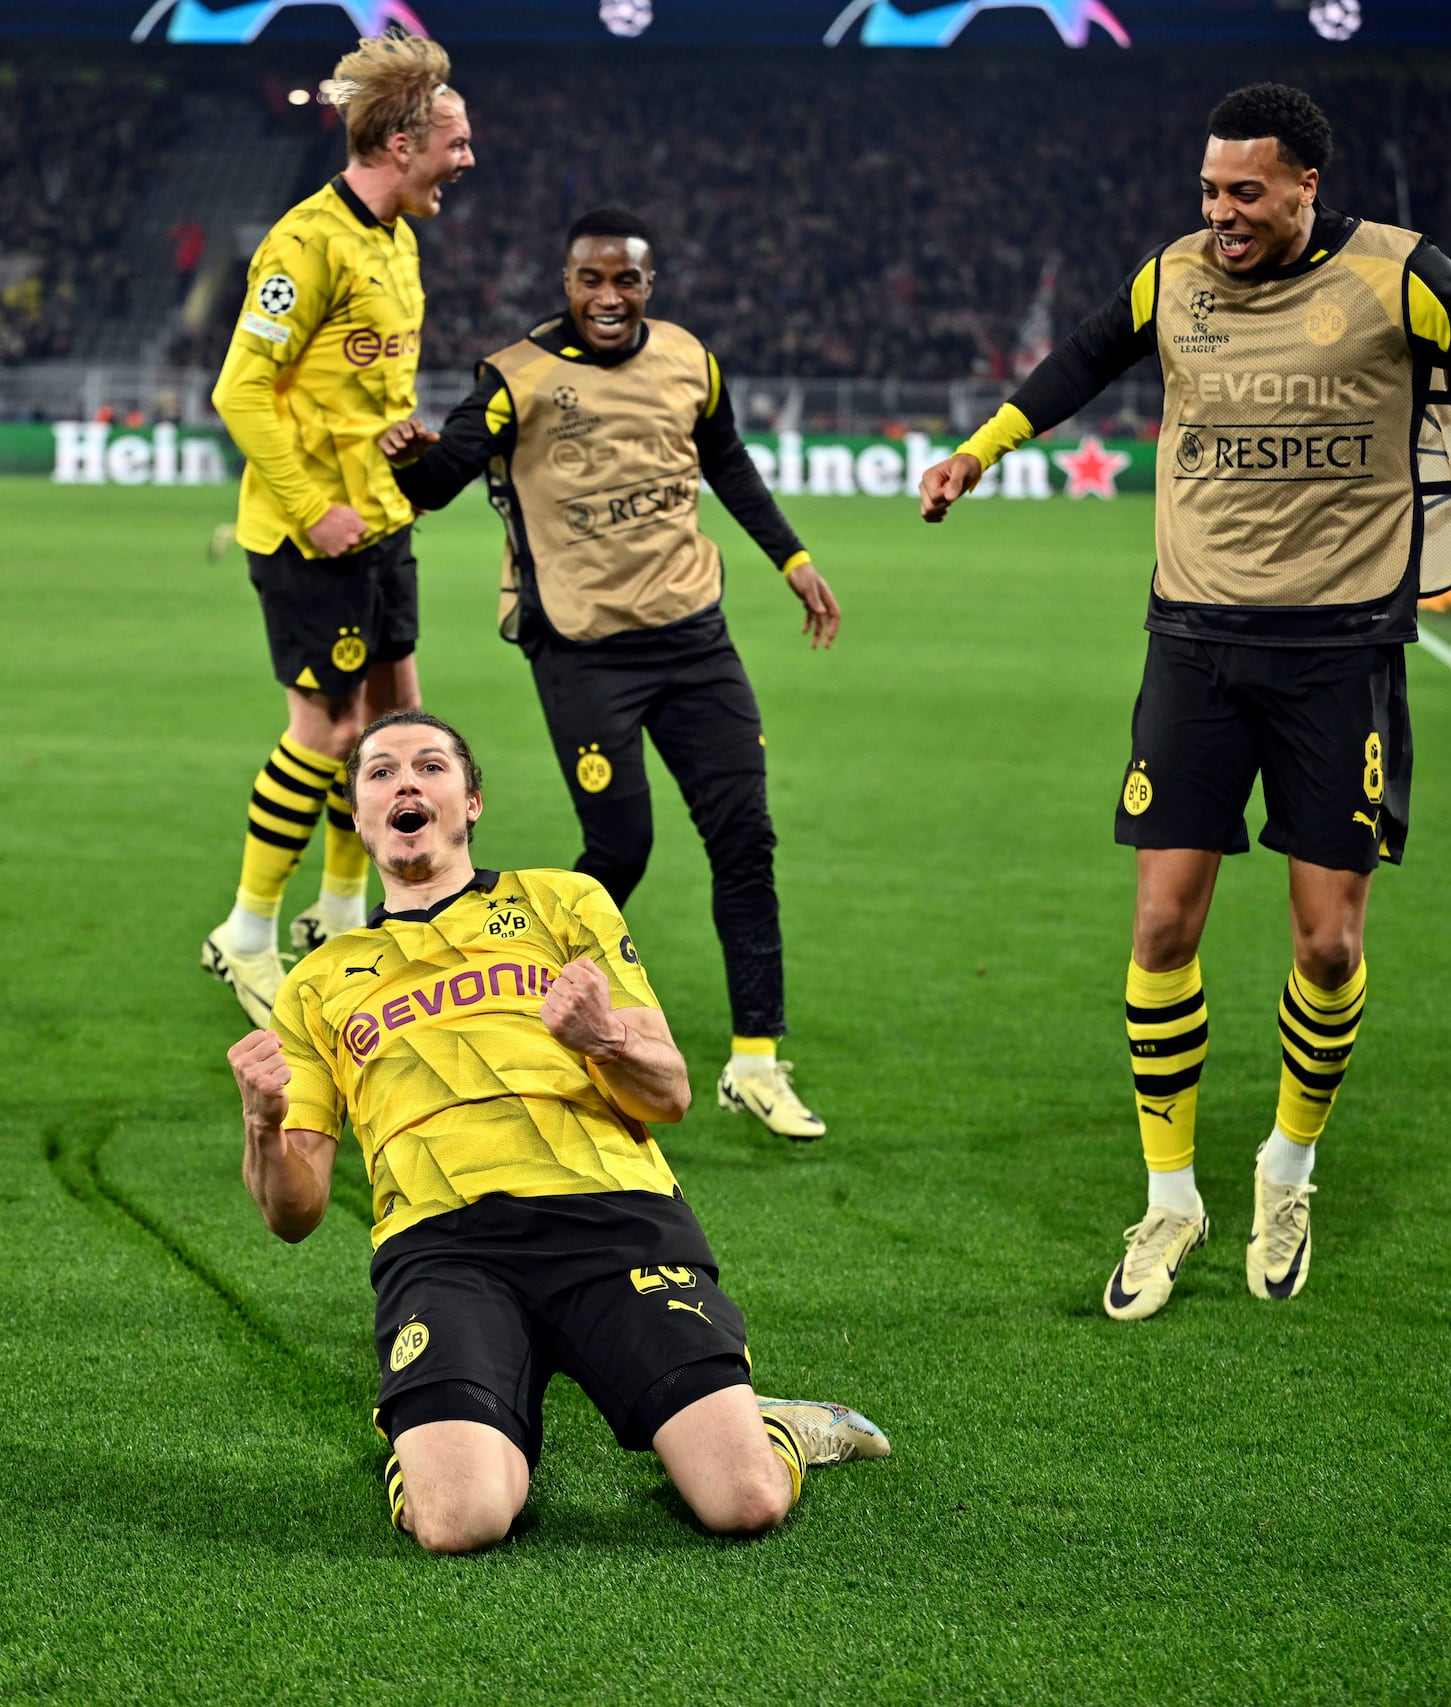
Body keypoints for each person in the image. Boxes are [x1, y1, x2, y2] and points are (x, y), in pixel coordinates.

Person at [918, 83, 1451, 1320]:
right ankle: (1168, 1198)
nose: (1219, 213)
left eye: (1244, 192)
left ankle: (1285, 1168)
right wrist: (978, 451)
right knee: (1159, 928)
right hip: (1192, 642)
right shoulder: (1173, 276)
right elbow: (1077, 362)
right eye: (1207, 191)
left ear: (1307, 183)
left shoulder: (1399, 275)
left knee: (1327, 941)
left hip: (1338, 650)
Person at [227, 709, 886, 1552]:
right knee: (461, 1521)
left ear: (470, 802)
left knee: (744, 1498)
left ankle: (782, 1429)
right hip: (442, 1247)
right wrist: (262, 1121)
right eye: (380, 774)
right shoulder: (315, 984)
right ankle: (431, 1444)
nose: (406, 784)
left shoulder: (562, 901)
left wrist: (602, 1038)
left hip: (610, 1215)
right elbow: (297, 1212)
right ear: (356, 819)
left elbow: (672, 1094)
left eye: (430, 766)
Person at [376, 207, 844, 1141]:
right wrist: (412, 457)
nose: (608, 297)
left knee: (744, 838)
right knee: (620, 849)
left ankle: (756, 1059)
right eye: (591, 279)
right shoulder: (516, 379)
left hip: (694, 638)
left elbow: (730, 464)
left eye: (626, 279)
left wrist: (792, 560)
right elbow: (440, 482)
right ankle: (512, 988)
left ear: (649, 286)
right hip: (582, 648)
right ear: (567, 283)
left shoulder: (687, 360)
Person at [198, 32, 474, 1029]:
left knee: (397, 724)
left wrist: (395, 438)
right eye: (455, 140)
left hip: (381, 524)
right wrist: (313, 504)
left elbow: (351, 384)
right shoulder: (304, 244)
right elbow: (238, 389)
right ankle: (247, 932)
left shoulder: (396, 237)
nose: (467, 158)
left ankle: (347, 915)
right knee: (326, 732)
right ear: (401, 145)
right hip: (309, 533)